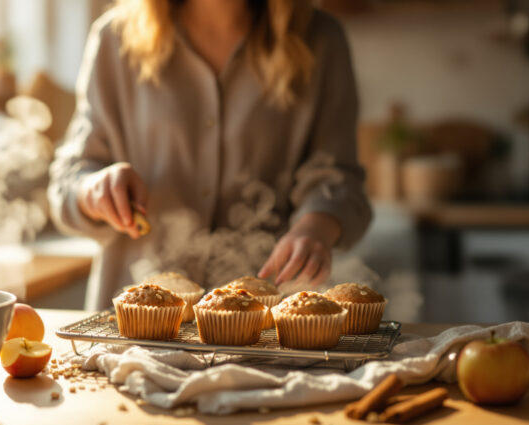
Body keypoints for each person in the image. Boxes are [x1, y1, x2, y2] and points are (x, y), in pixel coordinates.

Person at [48, 0, 372, 310]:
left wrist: (315, 228)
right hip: (128, 328)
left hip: (265, 324)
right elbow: (70, 177)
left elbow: (338, 177)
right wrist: (93, 190)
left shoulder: (321, 39)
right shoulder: (114, 37)